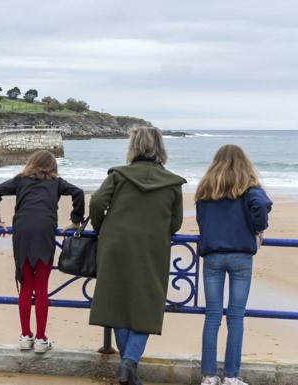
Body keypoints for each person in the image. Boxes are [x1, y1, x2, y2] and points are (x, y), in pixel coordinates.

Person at [88, 126, 186, 385]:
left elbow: (97, 203)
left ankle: (126, 366)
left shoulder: (118, 176)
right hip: (152, 247)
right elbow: (175, 223)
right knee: (148, 305)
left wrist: (103, 228)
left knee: (118, 304)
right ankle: (130, 363)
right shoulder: (173, 183)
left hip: (115, 244)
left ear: (132, 147)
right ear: (160, 148)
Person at [0, 150, 84, 354]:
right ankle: (41, 339)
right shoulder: (56, 182)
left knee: (26, 286)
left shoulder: (21, 180)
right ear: (53, 167)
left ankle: (25, 336)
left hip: (22, 230)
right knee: (41, 286)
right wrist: (76, 220)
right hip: (44, 230)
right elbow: (78, 193)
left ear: (31, 163)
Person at [196, 145, 272, 385]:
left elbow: (201, 219)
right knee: (236, 317)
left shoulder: (206, 188)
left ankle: (209, 376)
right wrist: (258, 228)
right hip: (240, 255)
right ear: (244, 163)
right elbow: (261, 205)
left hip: (213, 257)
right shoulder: (249, 188)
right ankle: (230, 376)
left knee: (212, 316)